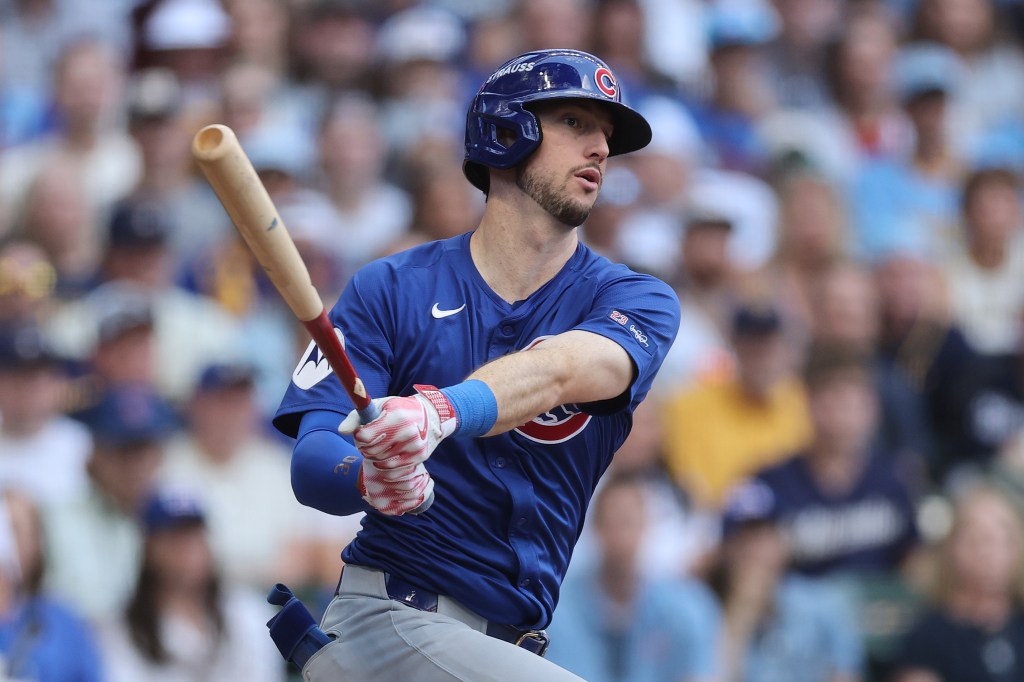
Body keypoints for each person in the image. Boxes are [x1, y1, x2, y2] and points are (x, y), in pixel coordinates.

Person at [273, 49, 679, 681]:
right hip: (390, 621)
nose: (601, 147)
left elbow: (567, 368)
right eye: (575, 122)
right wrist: (367, 477)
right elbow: (313, 459)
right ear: (504, 132)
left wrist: (439, 412)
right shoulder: (392, 287)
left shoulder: (634, 298)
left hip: (507, 647)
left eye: (606, 133)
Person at [545, 472, 720, 682]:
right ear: (595, 528)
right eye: (611, 522)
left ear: (646, 526)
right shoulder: (558, 608)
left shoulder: (687, 608)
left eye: (628, 522)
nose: (620, 536)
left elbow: (699, 673)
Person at [98, 487, 283, 682]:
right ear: (149, 548)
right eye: (174, 538)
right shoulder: (122, 629)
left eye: (195, 536)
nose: (188, 549)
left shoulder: (247, 612)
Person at [708, 478, 864, 682]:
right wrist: (741, 613)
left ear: (783, 543)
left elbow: (846, 673)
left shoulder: (822, 603)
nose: (755, 552)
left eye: (765, 537)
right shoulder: (703, 610)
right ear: (725, 550)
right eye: (744, 540)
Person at [891, 485, 1024, 682]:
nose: (988, 552)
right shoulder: (930, 635)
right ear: (953, 548)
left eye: (1002, 540)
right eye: (977, 540)